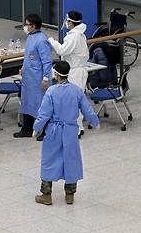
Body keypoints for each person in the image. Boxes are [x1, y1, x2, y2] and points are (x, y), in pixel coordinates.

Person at [33, 61, 99, 205]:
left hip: (54, 131)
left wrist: (37, 127)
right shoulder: (76, 90)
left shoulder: (51, 91)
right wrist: (95, 123)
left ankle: (46, 194)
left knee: (49, 160)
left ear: (56, 74)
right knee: (71, 160)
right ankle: (70, 194)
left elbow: (44, 114)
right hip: (70, 131)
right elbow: (87, 110)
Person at [47, 11, 90, 137]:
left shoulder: (74, 36)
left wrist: (51, 40)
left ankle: (75, 129)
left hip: (75, 72)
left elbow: (61, 50)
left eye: (67, 21)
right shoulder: (80, 35)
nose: (66, 23)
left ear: (71, 22)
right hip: (79, 71)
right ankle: (79, 126)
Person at [14, 13, 53, 138]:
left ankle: (46, 130)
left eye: (27, 24)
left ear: (34, 26)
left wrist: (46, 78)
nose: (25, 27)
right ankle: (27, 128)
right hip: (28, 78)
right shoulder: (31, 37)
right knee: (27, 103)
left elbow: (47, 61)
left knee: (41, 104)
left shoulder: (42, 40)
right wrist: (23, 67)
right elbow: (29, 57)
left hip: (38, 79)